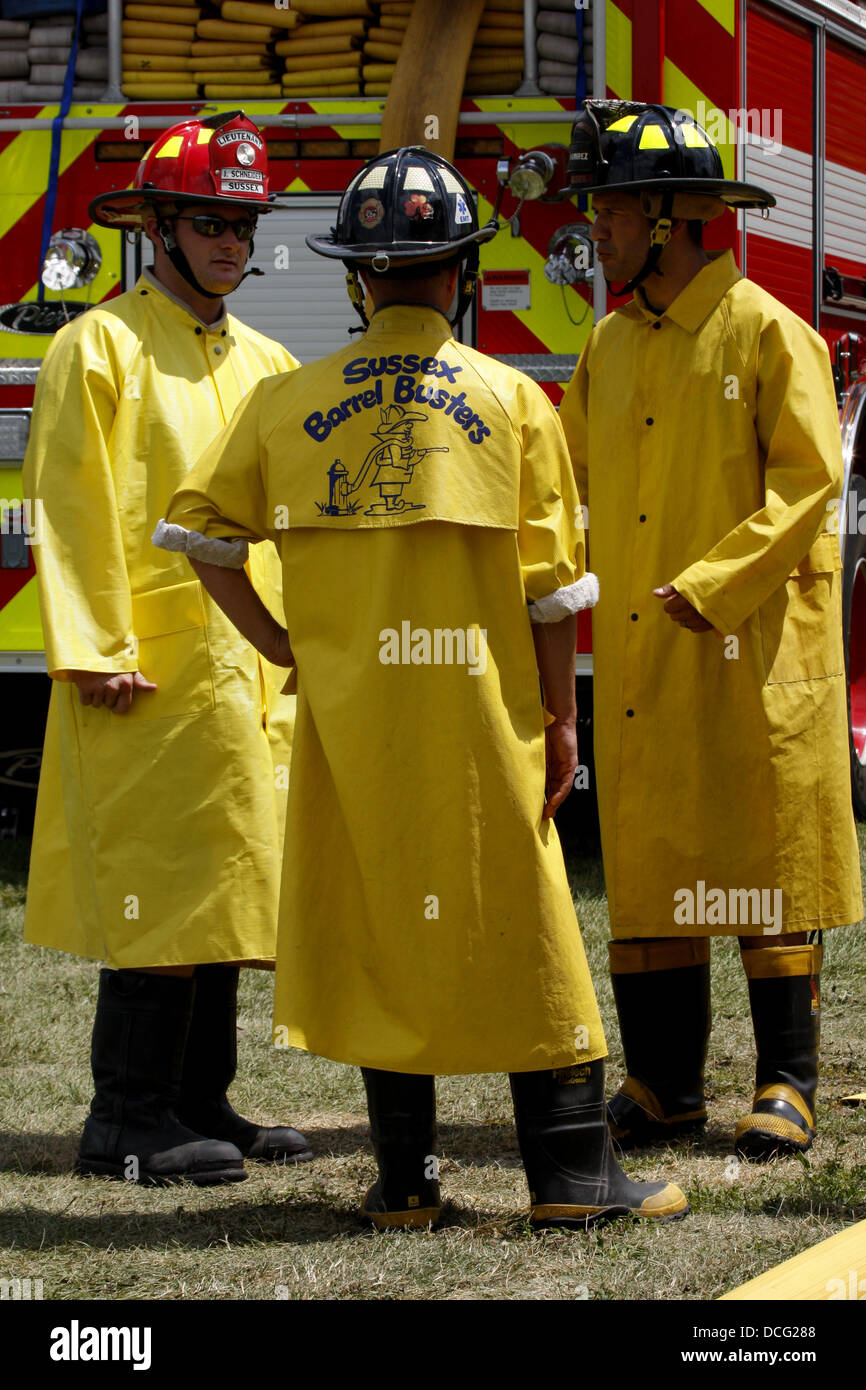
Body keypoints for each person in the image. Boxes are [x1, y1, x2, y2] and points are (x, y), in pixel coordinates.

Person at [154, 145, 689, 1229]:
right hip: (482, 729)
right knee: (525, 925)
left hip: (354, 734)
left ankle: (407, 1186)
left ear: (357, 278)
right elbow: (549, 594)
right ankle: (570, 1182)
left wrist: (280, 642)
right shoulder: (511, 402)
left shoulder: (281, 402)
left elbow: (196, 536)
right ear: (457, 273)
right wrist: (560, 719)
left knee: (386, 930)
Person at [558, 100, 863, 1159]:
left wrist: (713, 581)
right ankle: (662, 1083)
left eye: (606, 208)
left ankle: (785, 1083)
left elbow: (808, 482)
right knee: (653, 852)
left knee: (759, 847)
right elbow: (565, 484)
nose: (591, 228)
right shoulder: (607, 345)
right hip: (646, 650)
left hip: (750, 645)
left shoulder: (767, 334)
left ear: (666, 215)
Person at [23, 111, 312, 1185]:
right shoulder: (95, 345)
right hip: (142, 667)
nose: (229, 242)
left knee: (228, 882)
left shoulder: (270, 361)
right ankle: (124, 1117)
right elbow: (70, 502)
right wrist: (93, 645)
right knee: (154, 885)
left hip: (242, 667)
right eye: (207, 221)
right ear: (156, 225)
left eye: (241, 223)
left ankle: (201, 1102)